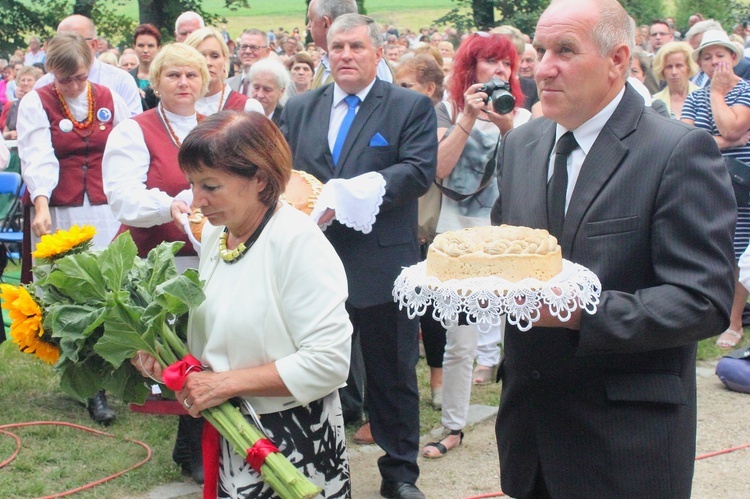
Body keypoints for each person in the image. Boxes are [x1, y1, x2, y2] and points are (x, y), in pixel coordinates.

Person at [490, 1, 735, 497]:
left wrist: (579, 312)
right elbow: (506, 256)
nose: (543, 67)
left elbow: (704, 301)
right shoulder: (521, 145)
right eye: (539, 50)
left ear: (618, 60)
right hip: (530, 434)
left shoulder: (676, 151)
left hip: (625, 442)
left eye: (564, 50)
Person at [133, 110, 353, 497]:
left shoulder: (298, 243)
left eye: (211, 186)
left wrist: (224, 384)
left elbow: (329, 362)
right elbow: (220, 333)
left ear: (261, 180)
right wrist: (168, 362)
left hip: (293, 441)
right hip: (233, 432)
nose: (196, 202)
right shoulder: (220, 234)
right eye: (192, 184)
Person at [280, 13, 437, 499]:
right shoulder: (301, 107)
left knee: (390, 372)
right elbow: (283, 172)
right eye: (338, 47)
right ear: (325, 51)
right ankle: (307, 460)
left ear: (378, 52)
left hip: (381, 262)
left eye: (356, 47)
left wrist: (350, 192)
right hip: (311, 262)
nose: (345, 55)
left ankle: (400, 473)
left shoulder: (408, 106)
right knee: (308, 365)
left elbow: (417, 172)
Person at [102, 42, 208, 483]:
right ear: (156, 82)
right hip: (157, 262)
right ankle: (194, 448)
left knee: (205, 355)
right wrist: (172, 206)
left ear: (205, 81)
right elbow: (123, 198)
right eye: (173, 75)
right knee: (178, 354)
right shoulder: (134, 130)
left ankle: (195, 445)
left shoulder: (215, 126)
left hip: (208, 260)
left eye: (192, 75)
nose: (183, 83)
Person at [422, 32, 528, 460]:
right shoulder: (445, 111)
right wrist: (468, 117)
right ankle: (453, 426)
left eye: (506, 65)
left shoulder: (521, 118)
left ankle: (523, 421)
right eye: (490, 63)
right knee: (460, 338)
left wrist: (508, 128)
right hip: (455, 239)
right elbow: (439, 170)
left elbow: (528, 179)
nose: (500, 72)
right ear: (471, 68)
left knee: (521, 332)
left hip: (504, 238)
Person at [16, 33, 129, 425]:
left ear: (90, 64)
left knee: (108, 290)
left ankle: (117, 370)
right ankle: (88, 385)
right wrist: (42, 203)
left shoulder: (110, 99)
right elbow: (36, 156)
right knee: (69, 295)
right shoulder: (36, 102)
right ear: (51, 72)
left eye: (80, 77)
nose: (74, 86)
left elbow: (126, 150)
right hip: (60, 208)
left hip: (104, 207)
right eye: (64, 80)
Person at [681, 29, 750, 350]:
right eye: (706, 57)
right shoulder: (695, 95)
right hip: (708, 182)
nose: (714, 62)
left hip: (743, 186)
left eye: (720, 55)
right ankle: (713, 314)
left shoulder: (746, 90)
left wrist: (719, 95)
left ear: (733, 58)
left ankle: (734, 323)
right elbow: (687, 139)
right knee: (715, 250)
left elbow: (732, 125)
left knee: (740, 254)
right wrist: (728, 140)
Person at [394, 53, 445, 412]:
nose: (399, 93)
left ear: (429, 88)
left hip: (435, 224)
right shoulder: (397, 116)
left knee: (435, 311)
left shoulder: (438, 116)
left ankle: (439, 379)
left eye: (406, 86)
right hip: (410, 227)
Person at [35, 15, 142, 117]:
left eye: (76, 41)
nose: (68, 47)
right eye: (62, 42)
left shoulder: (121, 80)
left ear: (93, 45)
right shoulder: (44, 85)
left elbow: (132, 126)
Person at [307, 0, 393, 89]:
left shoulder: (372, 64)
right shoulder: (325, 62)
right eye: (338, 47)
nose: (308, 26)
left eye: (311, 20)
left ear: (326, 23)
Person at [184, 27, 264, 116]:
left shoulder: (248, 107)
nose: (208, 62)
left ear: (224, 60)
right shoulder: (176, 106)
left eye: (215, 56)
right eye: (200, 57)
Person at [651, 41, 699, 119]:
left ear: (689, 67)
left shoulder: (703, 98)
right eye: (669, 67)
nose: (674, 72)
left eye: (679, 66)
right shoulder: (654, 101)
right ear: (662, 70)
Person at [226, 29, 273, 96]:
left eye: (254, 47)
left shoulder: (277, 84)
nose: (247, 51)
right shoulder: (227, 85)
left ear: (267, 52)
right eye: (244, 47)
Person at [248, 58, 288, 125]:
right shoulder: (241, 116)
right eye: (256, 88)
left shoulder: (287, 121)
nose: (259, 95)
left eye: (267, 90)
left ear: (281, 91)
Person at [131, 24, 161, 111]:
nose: (145, 50)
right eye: (141, 45)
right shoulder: (127, 78)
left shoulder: (165, 77)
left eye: (150, 46)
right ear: (134, 47)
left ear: (158, 48)